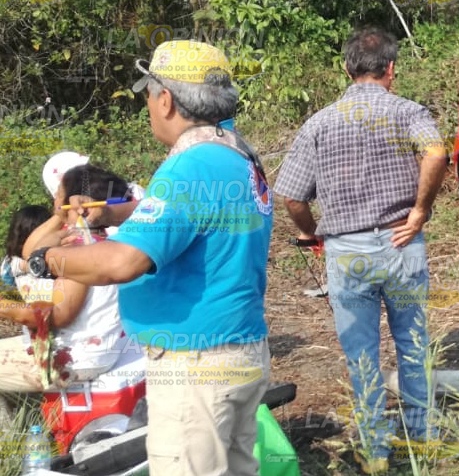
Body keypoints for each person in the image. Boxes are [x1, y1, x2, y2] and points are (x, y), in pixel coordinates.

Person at [22, 40, 274, 476]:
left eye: (148, 97)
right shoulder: (236, 154)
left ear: (166, 99)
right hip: (241, 351)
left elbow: (122, 263)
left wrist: (47, 260)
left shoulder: (189, 167)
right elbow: (200, 218)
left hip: (195, 366)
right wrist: (121, 212)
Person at [274, 26, 449, 473]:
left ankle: (376, 449)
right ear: (391, 69)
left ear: (347, 68)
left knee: (362, 355)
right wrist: (420, 211)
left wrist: (313, 234)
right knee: (412, 342)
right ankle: (423, 436)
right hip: (401, 242)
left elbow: (292, 196)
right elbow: (436, 154)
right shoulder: (409, 111)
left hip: (346, 252)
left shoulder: (319, 123)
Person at [0, 166, 130, 395]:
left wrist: (6, 306)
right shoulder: (100, 237)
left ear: (76, 202)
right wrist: (62, 216)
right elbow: (32, 252)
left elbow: (58, 315)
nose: (55, 201)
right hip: (92, 350)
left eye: (59, 194)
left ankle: (11, 430)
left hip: (78, 358)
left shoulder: (80, 249)